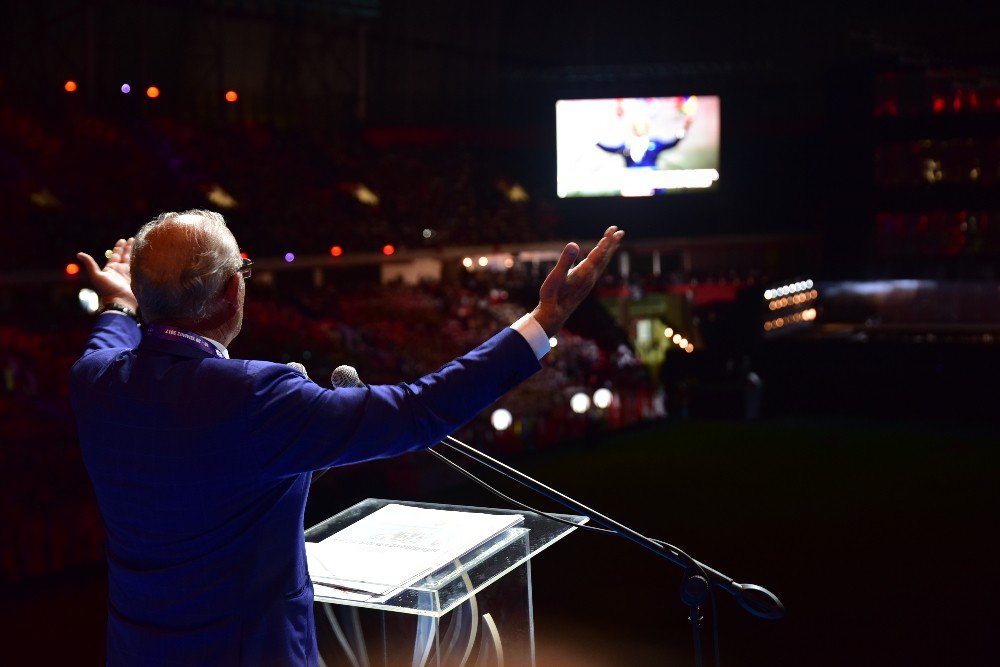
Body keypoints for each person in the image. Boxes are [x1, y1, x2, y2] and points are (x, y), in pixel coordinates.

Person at [70, 209, 624, 666]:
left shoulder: (96, 381)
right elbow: (419, 409)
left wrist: (120, 301)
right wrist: (543, 320)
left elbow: (109, 336)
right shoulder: (256, 396)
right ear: (233, 291)